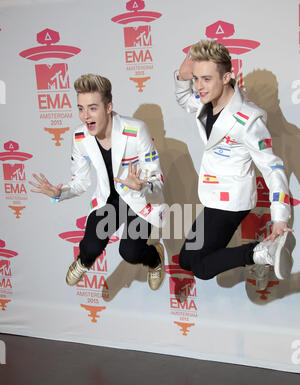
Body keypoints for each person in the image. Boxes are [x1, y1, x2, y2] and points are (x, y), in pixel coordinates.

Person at [174, 40, 295, 286]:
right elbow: (184, 97)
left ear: (228, 76)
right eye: (196, 79)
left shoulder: (248, 120)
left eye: (206, 79)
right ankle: (260, 253)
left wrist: (280, 217)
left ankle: (262, 253)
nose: (198, 86)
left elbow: (273, 168)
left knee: (201, 268)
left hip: (231, 201)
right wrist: (181, 74)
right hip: (211, 195)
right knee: (186, 260)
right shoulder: (204, 102)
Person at [30, 74, 166, 290]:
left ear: (108, 106)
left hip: (139, 199)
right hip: (109, 200)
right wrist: (59, 193)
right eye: (81, 108)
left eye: (92, 108)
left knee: (130, 252)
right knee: (91, 246)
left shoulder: (136, 129)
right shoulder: (80, 137)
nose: (85, 116)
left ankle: (155, 259)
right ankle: (83, 261)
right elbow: (81, 181)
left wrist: (141, 186)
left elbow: (156, 179)